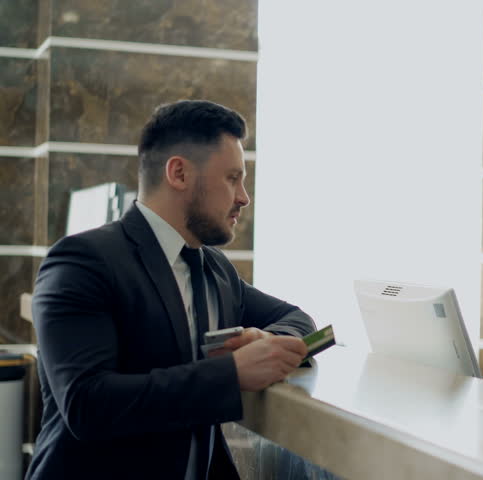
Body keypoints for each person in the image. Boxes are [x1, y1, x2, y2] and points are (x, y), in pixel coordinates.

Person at [26, 100, 316, 479]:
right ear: (178, 173)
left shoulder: (216, 271)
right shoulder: (82, 261)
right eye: (232, 178)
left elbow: (297, 319)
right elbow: (86, 404)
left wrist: (268, 340)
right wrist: (231, 374)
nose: (244, 197)